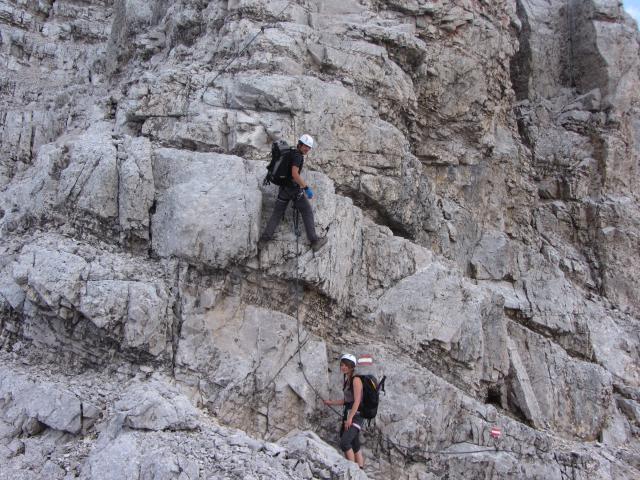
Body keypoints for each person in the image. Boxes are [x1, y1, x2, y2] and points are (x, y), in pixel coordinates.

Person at [258, 134, 328, 252]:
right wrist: (306, 188)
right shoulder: (298, 156)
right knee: (307, 211)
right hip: (293, 190)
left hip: (283, 189)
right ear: (300, 144)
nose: (307, 149)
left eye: (309, 147)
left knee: (277, 214)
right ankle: (314, 241)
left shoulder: (290, 152)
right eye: (305, 146)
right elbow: (295, 174)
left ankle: (263, 241)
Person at [323, 353, 365, 469]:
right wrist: (331, 402)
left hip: (356, 415)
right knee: (354, 444)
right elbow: (347, 400)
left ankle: (352, 470)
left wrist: (350, 418)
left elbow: (357, 401)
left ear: (352, 366)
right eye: (342, 365)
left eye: (346, 365)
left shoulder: (356, 380)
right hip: (350, 413)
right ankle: (360, 469)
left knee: (345, 443)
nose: (343, 367)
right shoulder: (348, 380)